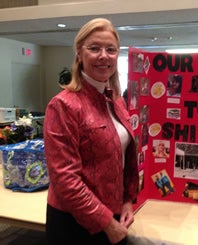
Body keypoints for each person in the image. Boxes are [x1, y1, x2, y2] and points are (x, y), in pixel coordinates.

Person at [43, 18, 139, 245]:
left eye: (110, 49)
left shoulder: (116, 101)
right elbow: (65, 179)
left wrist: (127, 200)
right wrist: (107, 223)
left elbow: (123, 158)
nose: (104, 56)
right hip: (74, 223)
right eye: (94, 48)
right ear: (79, 53)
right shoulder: (63, 105)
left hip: (113, 215)